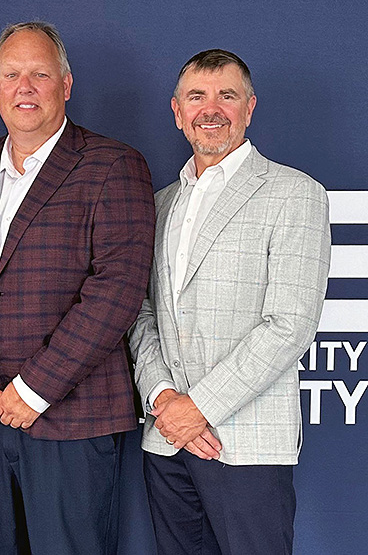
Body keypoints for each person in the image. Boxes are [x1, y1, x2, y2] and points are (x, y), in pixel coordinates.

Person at [0, 21, 155, 554]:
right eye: (12, 75)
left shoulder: (113, 165)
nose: (25, 87)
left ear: (66, 85)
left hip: (72, 419)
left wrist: (34, 390)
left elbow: (116, 290)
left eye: (40, 74)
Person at [129, 49, 331, 555]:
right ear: (177, 112)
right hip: (166, 440)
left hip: (246, 443)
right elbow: (142, 312)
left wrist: (198, 407)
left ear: (250, 106)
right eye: (197, 96)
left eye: (227, 95)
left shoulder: (294, 194)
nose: (211, 108)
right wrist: (162, 399)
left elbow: (290, 323)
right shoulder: (159, 204)